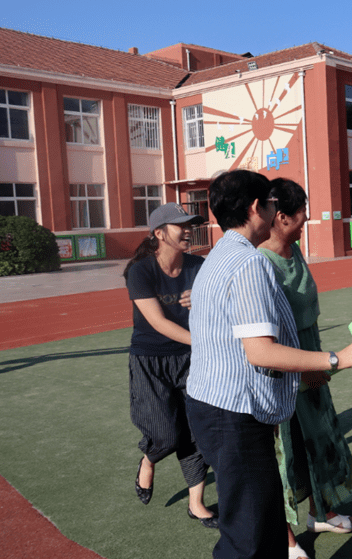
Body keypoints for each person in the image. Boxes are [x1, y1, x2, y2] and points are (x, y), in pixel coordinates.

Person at [185, 170, 352, 559]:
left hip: (214, 406)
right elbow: (260, 352)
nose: (279, 214)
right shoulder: (250, 264)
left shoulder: (218, 256)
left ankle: (308, 521)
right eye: (273, 205)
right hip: (234, 413)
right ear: (258, 208)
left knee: (260, 519)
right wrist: (337, 358)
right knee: (249, 536)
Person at [258, 179, 352, 559]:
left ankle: (322, 511)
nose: (307, 218)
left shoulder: (294, 249)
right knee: (285, 454)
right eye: (302, 211)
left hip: (315, 362)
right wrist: (305, 369)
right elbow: (265, 340)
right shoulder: (260, 262)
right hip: (282, 374)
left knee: (323, 443)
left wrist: (320, 363)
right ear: (282, 216)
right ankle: (285, 537)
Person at [123, 203, 217, 528]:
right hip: (151, 361)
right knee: (165, 434)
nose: (188, 230)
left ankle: (197, 504)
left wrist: (203, 297)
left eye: (190, 224)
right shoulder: (141, 271)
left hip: (191, 359)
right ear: (159, 233)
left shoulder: (198, 265)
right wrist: (205, 341)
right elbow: (159, 323)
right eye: (181, 225)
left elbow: (222, 302)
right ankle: (149, 460)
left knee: (196, 429)